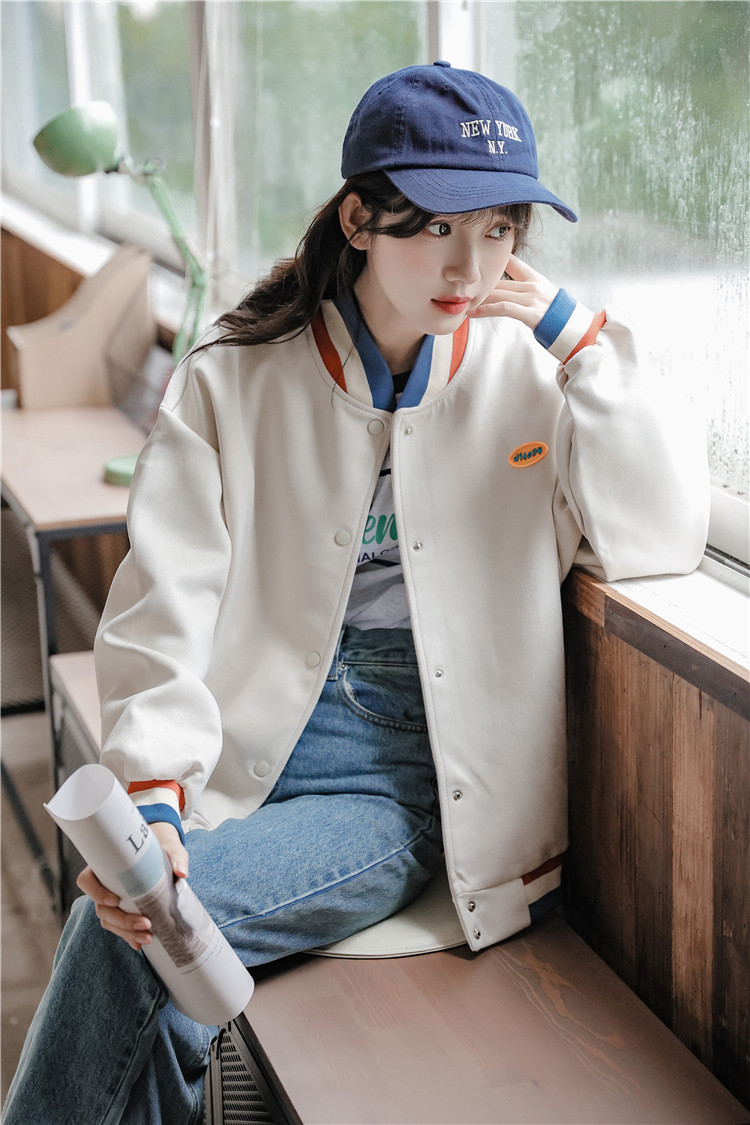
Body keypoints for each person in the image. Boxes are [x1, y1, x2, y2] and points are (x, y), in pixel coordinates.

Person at [4, 62, 708, 1125]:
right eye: (438, 228)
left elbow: (659, 535)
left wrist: (579, 338)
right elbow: (163, 604)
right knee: (157, 961)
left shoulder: (530, 371)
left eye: (501, 231)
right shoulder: (234, 375)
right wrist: (154, 794)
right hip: (240, 738)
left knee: (141, 937)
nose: (470, 267)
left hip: (402, 777)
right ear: (360, 219)